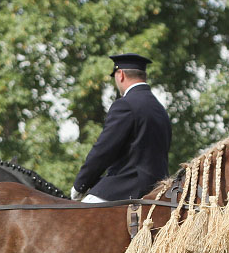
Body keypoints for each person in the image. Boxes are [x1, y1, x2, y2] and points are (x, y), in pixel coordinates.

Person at [70, 53, 172, 202]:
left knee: (75, 218)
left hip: (127, 187)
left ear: (121, 75)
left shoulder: (125, 105)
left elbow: (103, 150)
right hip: (159, 188)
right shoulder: (160, 109)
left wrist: (81, 185)